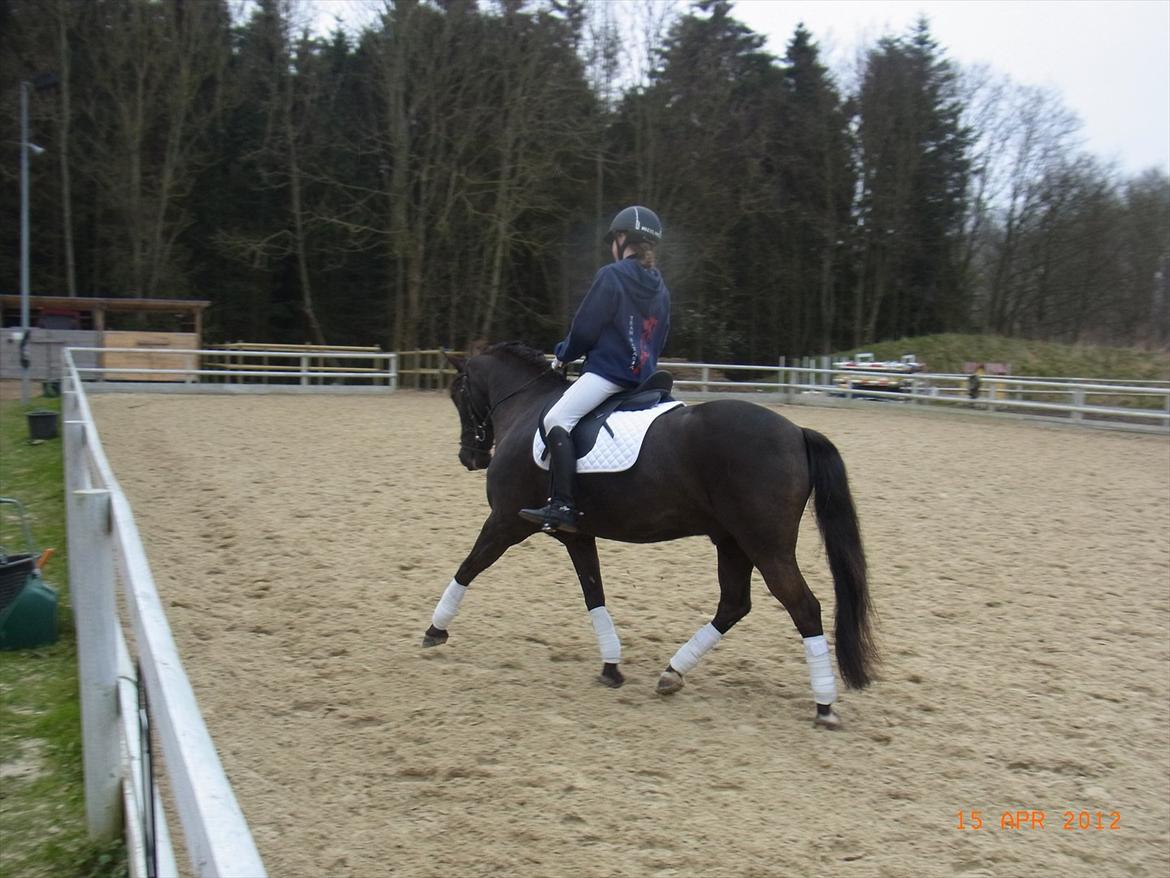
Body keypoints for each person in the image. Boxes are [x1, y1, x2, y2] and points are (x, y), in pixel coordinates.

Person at [519, 205, 671, 533]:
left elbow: (586, 327)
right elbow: (660, 336)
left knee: (556, 418)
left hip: (610, 375)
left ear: (621, 238)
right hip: (645, 378)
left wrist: (563, 354)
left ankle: (562, 505)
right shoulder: (660, 287)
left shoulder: (612, 275)